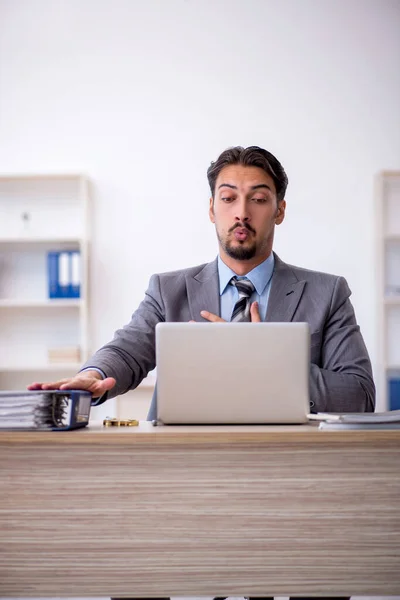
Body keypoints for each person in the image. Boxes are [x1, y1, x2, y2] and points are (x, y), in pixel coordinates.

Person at [29, 145, 375, 600]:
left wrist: (267, 361)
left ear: (280, 210)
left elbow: (359, 394)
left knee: (321, 579)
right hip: (179, 479)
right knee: (130, 574)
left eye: (259, 198)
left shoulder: (327, 293)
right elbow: (129, 348)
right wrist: (93, 373)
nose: (242, 212)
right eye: (228, 197)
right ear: (211, 208)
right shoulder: (169, 289)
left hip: (289, 485)